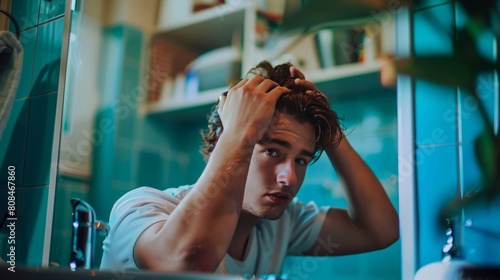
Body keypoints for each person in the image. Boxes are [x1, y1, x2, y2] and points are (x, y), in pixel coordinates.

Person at [99, 61, 399, 276]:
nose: (289, 178)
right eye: (271, 151)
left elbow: (380, 231)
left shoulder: (281, 225)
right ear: (226, 141)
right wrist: (238, 133)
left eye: (301, 160)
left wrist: (332, 134)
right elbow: (190, 264)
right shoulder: (141, 209)